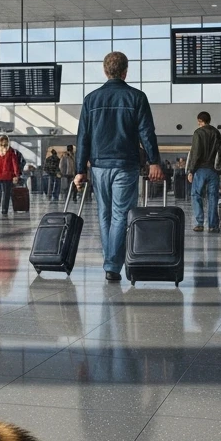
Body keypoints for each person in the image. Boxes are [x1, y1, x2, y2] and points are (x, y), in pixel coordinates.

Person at [74, 51, 161, 283]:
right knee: (121, 215)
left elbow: (83, 136)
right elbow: (146, 132)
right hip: (125, 164)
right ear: (125, 71)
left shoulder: (91, 99)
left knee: (104, 214)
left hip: (99, 166)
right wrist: (154, 161)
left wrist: (80, 169)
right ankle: (112, 264)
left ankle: (110, 261)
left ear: (105, 71)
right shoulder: (136, 97)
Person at [185, 111, 221, 233]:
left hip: (200, 169)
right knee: (213, 197)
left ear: (200, 121)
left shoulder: (198, 133)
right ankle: (213, 225)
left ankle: (199, 223)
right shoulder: (216, 132)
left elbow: (196, 152)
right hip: (213, 170)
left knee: (196, 195)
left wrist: (191, 170)